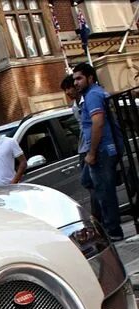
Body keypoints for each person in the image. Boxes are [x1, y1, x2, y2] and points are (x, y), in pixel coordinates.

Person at [73, 62, 123, 241]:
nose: (76, 83)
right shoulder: (94, 93)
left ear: (90, 77)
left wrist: (92, 152)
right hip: (104, 148)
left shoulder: (93, 95)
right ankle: (103, 223)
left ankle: (113, 231)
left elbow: (98, 123)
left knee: (104, 191)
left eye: (79, 78)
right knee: (88, 181)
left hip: (102, 149)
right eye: (75, 79)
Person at [61, 73, 102, 222]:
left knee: (90, 181)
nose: (67, 92)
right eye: (65, 90)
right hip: (82, 148)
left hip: (90, 147)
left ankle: (97, 217)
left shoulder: (88, 101)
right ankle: (97, 216)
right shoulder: (74, 107)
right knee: (90, 183)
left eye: (69, 88)